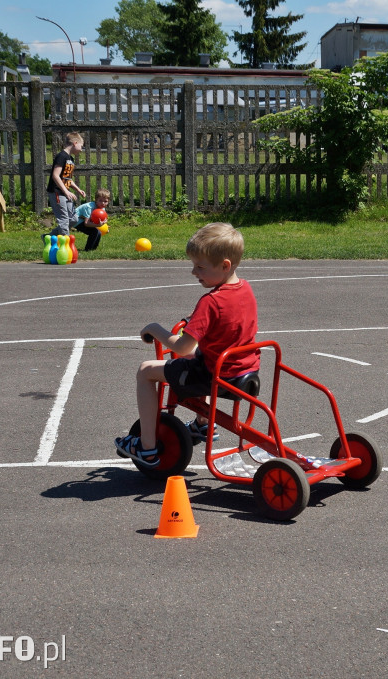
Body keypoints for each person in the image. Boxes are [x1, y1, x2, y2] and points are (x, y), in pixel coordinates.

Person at [115, 222, 260, 467]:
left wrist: (154, 328)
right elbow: (227, 322)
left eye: (200, 267)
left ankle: (146, 447)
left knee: (146, 371)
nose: (194, 272)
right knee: (199, 354)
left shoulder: (211, 301)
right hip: (243, 370)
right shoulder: (244, 288)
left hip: (216, 376)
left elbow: (181, 347)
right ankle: (203, 424)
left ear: (225, 265)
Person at [46, 132, 86, 238]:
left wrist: (78, 189)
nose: (81, 149)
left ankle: (49, 237)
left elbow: (67, 178)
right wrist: (66, 191)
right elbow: (55, 175)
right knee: (64, 219)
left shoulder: (70, 159)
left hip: (65, 192)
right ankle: (65, 246)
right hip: (57, 192)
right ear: (75, 143)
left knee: (73, 219)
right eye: (81, 146)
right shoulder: (61, 156)